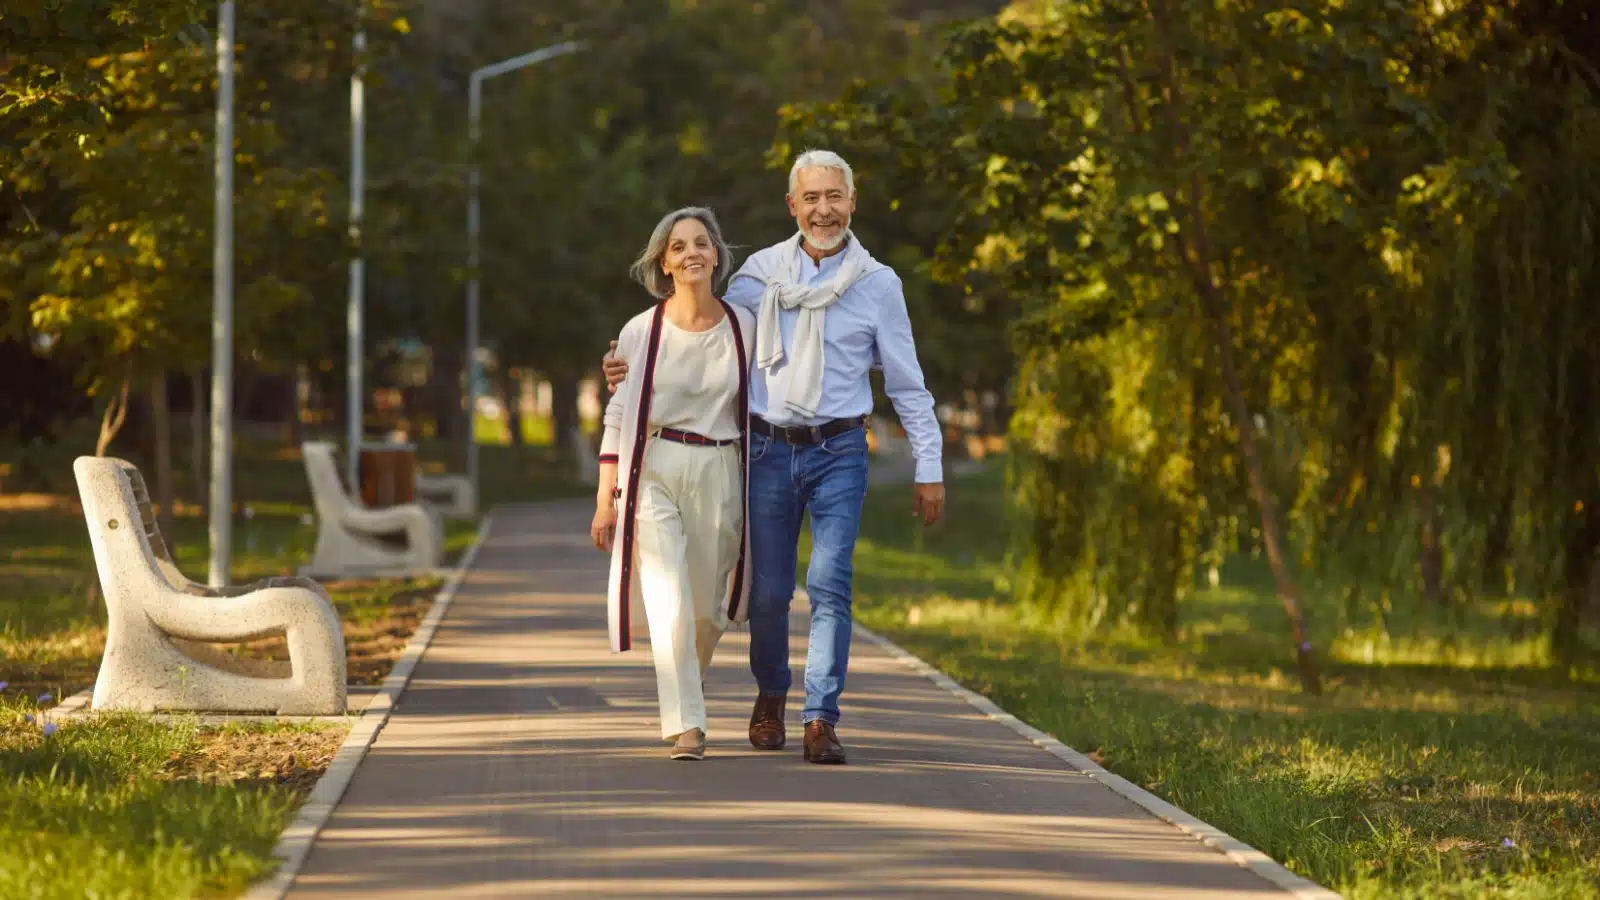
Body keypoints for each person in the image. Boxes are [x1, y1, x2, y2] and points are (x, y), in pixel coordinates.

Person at [604, 150, 945, 765]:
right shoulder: (759, 276)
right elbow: (708, 338)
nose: (823, 210)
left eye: (834, 197)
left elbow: (906, 383)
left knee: (831, 583)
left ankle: (820, 717)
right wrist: (627, 368)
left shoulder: (879, 285)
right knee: (767, 592)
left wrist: (929, 467)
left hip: (841, 447)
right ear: (793, 206)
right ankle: (771, 694)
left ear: (852, 201)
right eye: (810, 198)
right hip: (766, 448)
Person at [590, 206, 756, 761]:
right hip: (655, 466)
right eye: (679, 246)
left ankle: (688, 686)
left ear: (716, 255)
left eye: (701, 244)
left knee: (708, 610)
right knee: (668, 598)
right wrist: (605, 502)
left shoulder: (743, 326)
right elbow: (618, 416)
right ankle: (687, 724)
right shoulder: (641, 330)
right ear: (664, 261)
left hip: (720, 466)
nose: (692, 254)